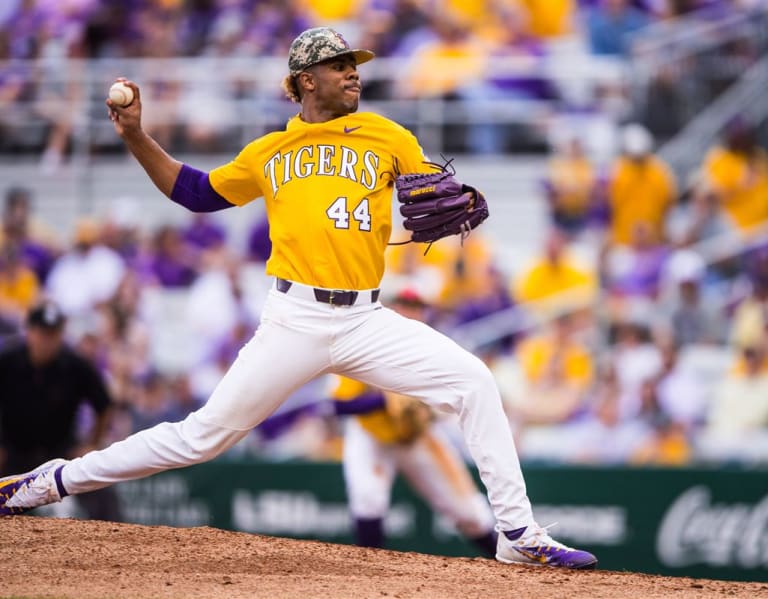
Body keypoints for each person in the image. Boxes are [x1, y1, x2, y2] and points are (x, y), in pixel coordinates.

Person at [0, 27, 596, 569]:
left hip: (367, 317)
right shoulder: (270, 152)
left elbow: (417, 206)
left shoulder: (388, 135)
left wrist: (439, 213)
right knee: (202, 436)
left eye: (355, 64)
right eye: (339, 65)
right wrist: (136, 137)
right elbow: (195, 193)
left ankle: (516, 533)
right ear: (306, 80)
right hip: (295, 317)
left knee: (475, 382)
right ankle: (51, 481)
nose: (354, 72)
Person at [331, 288, 497, 557]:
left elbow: (454, 399)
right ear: (391, 309)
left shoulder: (435, 348)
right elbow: (339, 405)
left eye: (416, 306)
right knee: (368, 499)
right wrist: (384, 402)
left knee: (470, 513)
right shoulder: (369, 343)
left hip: (417, 436)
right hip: (372, 434)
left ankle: (508, 571)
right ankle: (365, 578)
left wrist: (425, 408)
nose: (410, 311)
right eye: (404, 304)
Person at [0, 301, 121, 521]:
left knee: (99, 481)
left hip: (60, 452)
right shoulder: (7, 360)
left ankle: (117, 538)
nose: (48, 340)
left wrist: (91, 443)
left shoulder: (75, 365)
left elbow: (104, 404)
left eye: (53, 334)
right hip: (12, 451)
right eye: (43, 333)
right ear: (30, 332)